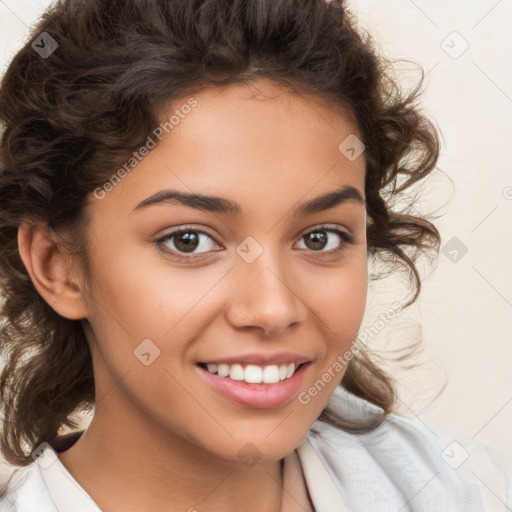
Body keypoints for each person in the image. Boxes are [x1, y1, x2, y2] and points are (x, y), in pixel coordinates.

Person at [0, 0, 510, 510]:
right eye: (189, 240)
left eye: (320, 238)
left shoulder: (459, 490)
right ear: (57, 266)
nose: (273, 309)